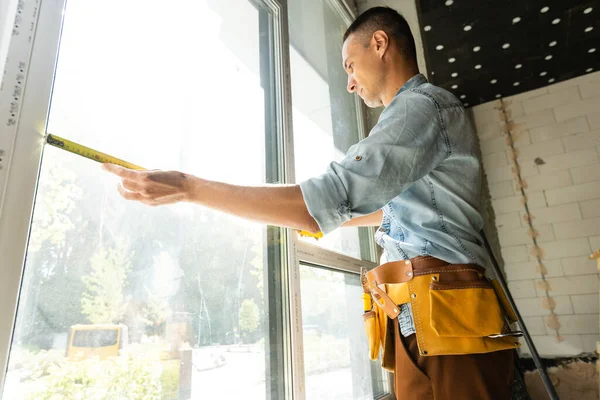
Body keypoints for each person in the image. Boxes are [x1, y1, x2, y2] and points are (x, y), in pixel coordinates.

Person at [103, 6, 514, 399]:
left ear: (380, 43)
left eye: (350, 66)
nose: (350, 83)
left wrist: (189, 187)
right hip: (431, 320)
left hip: (448, 323)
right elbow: (394, 209)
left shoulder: (421, 108)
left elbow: (329, 197)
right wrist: (322, 221)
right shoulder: (418, 119)